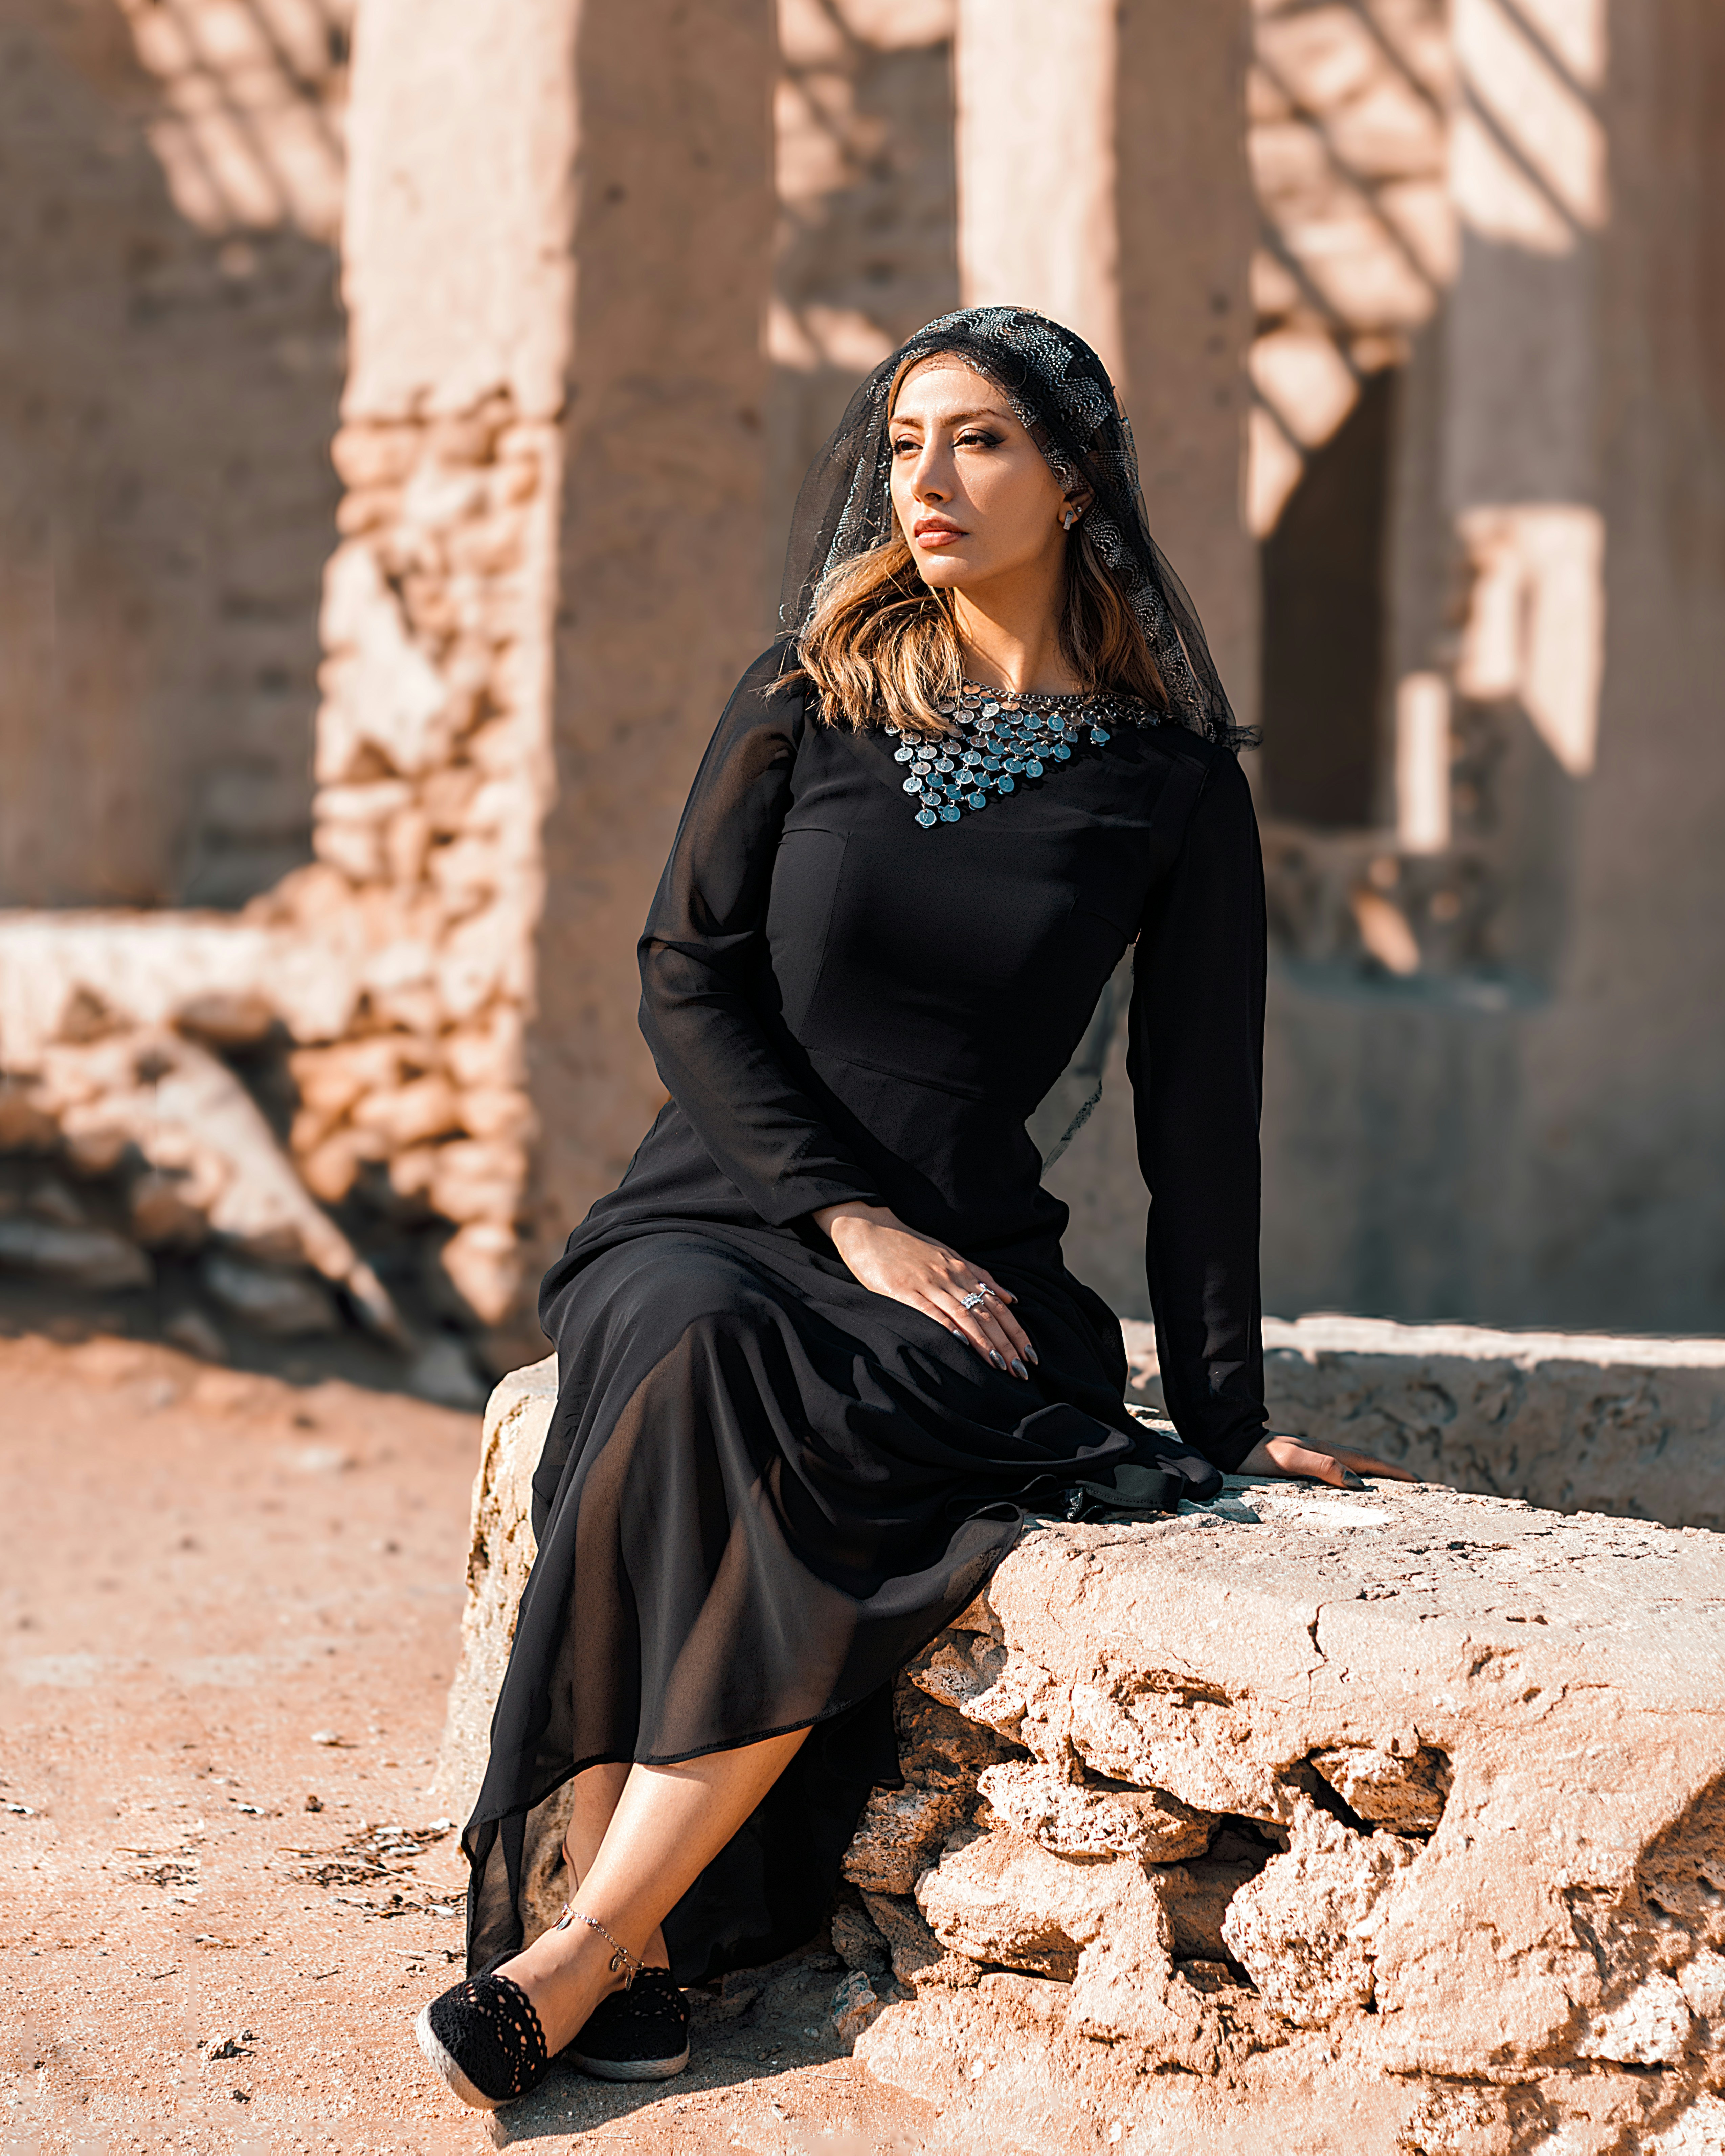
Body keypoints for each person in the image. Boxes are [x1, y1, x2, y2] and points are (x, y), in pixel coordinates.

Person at [415, 307, 1413, 2110]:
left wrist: (1231, 1406)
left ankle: (581, 1949)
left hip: (966, 1247)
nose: (926, 481)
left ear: (1078, 479)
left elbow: (1202, 1120)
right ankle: (606, 1945)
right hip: (725, 1200)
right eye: (903, 442)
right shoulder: (808, 688)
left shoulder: (1169, 784)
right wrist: (841, 1218)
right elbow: (684, 974)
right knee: (696, 1354)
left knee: (878, 1420)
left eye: (979, 442)